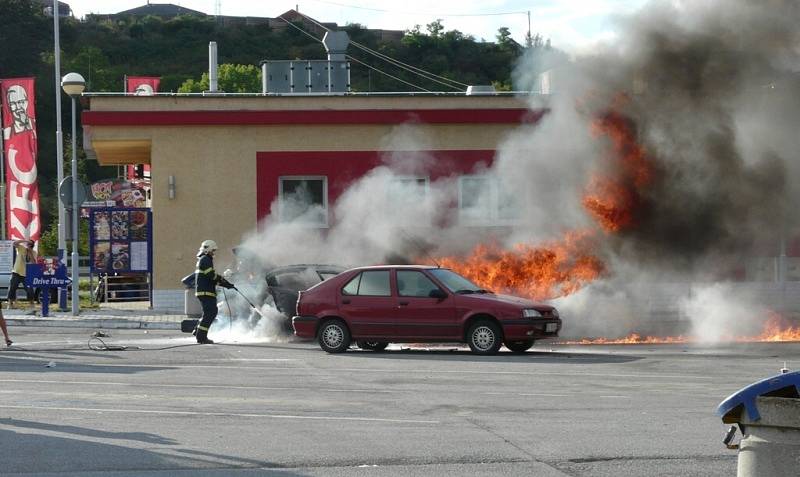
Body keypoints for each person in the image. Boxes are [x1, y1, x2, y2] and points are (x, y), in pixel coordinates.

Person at [194, 240, 234, 344]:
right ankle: (201, 337)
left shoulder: (203, 259)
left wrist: (225, 283)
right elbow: (211, 276)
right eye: (213, 250)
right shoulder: (206, 259)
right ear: (207, 250)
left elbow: (211, 277)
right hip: (206, 292)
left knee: (208, 313)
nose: (213, 253)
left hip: (205, 291)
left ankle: (198, 332)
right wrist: (224, 282)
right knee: (210, 313)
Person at [7, 239, 37, 309]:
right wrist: (25, 240)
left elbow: (34, 263)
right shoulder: (22, 248)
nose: (29, 246)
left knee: (30, 289)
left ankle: (31, 304)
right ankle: (10, 304)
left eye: (31, 245)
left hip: (26, 274)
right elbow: (14, 243)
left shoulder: (34, 252)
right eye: (28, 244)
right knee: (12, 288)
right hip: (16, 272)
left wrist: (30, 252)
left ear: (32, 246)